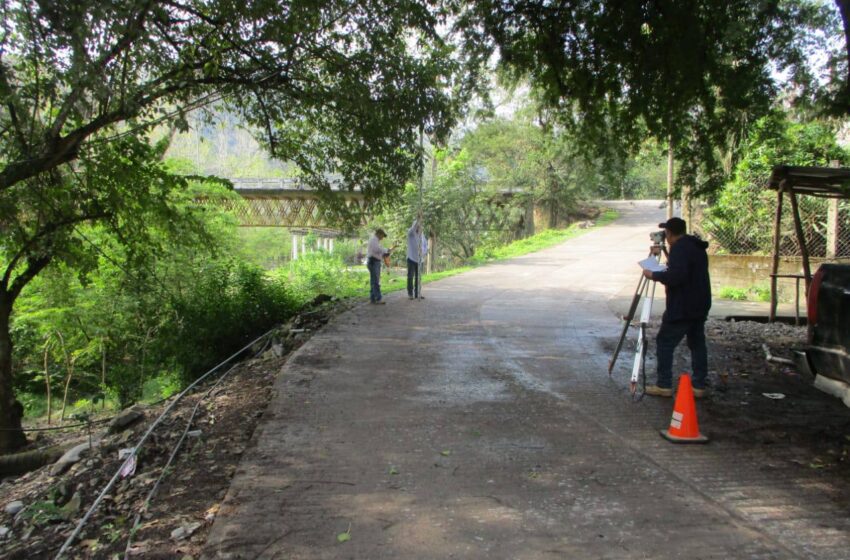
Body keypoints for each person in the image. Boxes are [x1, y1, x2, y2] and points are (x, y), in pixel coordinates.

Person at [642, 217, 712, 398]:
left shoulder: (680, 248)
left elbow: (677, 276)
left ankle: (664, 384)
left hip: (683, 306)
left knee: (664, 342)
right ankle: (698, 385)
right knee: (697, 344)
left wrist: (653, 274)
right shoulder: (694, 246)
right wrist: (665, 253)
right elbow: (682, 268)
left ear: (670, 233)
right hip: (700, 304)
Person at [367, 228, 390, 304]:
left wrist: (384, 251)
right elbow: (377, 249)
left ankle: (372, 298)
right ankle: (378, 298)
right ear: (379, 234)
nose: (382, 238)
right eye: (382, 236)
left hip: (374, 261)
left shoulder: (375, 240)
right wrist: (385, 250)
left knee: (373, 281)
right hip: (373, 262)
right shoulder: (374, 240)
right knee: (376, 281)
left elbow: (377, 250)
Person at [406, 217, 427, 300]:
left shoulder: (422, 235)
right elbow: (413, 227)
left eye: (420, 226)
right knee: (410, 276)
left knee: (418, 277)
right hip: (411, 258)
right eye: (417, 226)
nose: (419, 228)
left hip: (419, 259)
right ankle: (410, 293)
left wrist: (423, 251)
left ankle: (418, 293)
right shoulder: (410, 233)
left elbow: (425, 245)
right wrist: (418, 219)